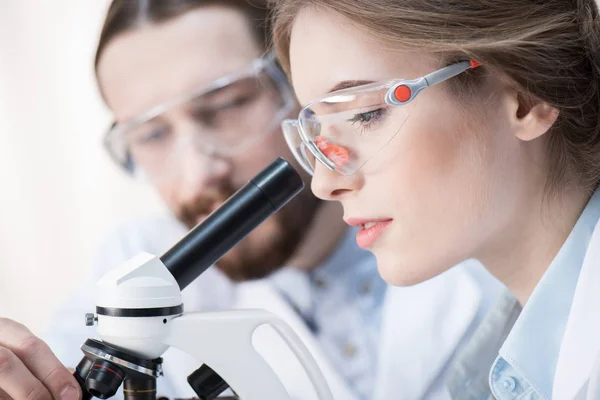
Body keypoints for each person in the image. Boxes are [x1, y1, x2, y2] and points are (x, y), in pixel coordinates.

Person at [0, 1, 501, 400]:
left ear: (300, 86)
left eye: (227, 105)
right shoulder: (134, 272)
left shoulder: (468, 222)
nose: (199, 173)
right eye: (151, 136)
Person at [271, 0, 600, 398]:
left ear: (528, 97)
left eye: (365, 114)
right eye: (316, 136)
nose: (324, 183)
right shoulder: (508, 374)